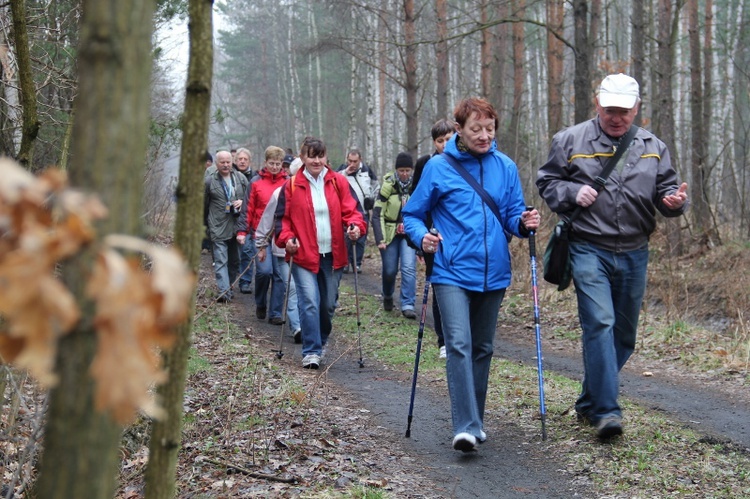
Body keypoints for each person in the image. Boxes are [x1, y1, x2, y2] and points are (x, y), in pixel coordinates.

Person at [536, 73, 689, 440]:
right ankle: (607, 411)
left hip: (636, 250)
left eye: (624, 111)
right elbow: (547, 182)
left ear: (637, 109)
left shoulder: (654, 146)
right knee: (599, 324)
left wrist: (673, 203)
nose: (616, 117)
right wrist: (573, 193)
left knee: (624, 336)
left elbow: (666, 189)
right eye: (610, 110)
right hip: (589, 247)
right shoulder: (570, 140)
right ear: (598, 105)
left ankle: (591, 399)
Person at [403, 97, 539, 453]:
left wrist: (524, 224)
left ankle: (475, 420)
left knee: (483, 348)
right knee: (459, 345)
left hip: (493, 272)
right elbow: (412, 215)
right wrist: (423, 238)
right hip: (450, 270)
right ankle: (464, 426)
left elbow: (511, 214)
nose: (484, 136)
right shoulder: (438, 167)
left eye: (490, 129)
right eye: (476, 129)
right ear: (459, 129)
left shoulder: (505, 167)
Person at [275, 138, 366, 369]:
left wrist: (355, 226)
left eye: (320, 155)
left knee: (327, 305)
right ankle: (312, 350)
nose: (316, 160)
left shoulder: (338, 182)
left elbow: (353, 211)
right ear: (302, 157)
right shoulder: (292, 185)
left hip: (333, 255)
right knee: (310, 302)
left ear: (326, 157)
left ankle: (321, 340)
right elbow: (282, 221)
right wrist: (287, 240)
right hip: (304, 255)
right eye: (311, 156)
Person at [413, 118, 455, 358]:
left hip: (457, 236)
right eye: (440, 141)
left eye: (448, 139)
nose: (444, 144)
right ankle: (443, 341)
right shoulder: (426, 164)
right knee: (439, 288)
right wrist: (420, 240)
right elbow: (418, 201)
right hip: (432, 237)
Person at [254, 156, 302, 342]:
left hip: (309, 251)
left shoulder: (316, 193)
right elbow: (267, 220)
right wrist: (261, 245)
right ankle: (297, 327)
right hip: (283, 250)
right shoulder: (280, 192)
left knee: (304, 289)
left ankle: (305, 324)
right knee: (291, 288)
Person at [240, 146, 289, 321]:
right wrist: (242, 231)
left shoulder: (288, 183)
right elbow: (248, 208)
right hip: (259, 233)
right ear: (265, 163)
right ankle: (260, 302)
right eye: (272, 163)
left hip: (281, 234)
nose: (275, 167)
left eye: (278, 164)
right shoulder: (255, 182)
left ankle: (275, 313)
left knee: (280, 275)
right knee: (264, 271)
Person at [372, 152, 418, 319]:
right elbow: (377, 214)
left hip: (409, 234)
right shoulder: (387, 187)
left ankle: (408, 303)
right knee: (390, 269)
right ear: (396, 170)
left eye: (407, 170)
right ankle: (388, 294)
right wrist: (380, 239)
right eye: (401, 170)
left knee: (408, 268)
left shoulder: (416, 186)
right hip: (390, 232)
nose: (404, 174)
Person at [204, 150, 249, 302]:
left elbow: (250, 200)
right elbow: (204, 205)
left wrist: (242, 202)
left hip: (236, 226)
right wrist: (205, 224)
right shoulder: (210, 181)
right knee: (221, 260)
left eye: (228, 162)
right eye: (222, 162)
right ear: (216, 164)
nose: (225, 165)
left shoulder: (241, 178)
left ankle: (228, 287)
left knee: (234, 261)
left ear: (232, 162)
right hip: (217, 226)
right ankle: (223, 292)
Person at [336, 149, 379, 273]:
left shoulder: (367, 170)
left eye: (355, 161)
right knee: (346, 238)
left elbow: (376, 185)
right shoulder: (341, 171)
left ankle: (357, 263)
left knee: (361, 239)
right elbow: (333, 182)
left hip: (363, 210)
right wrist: (345, 173)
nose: (352, 164)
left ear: (360, 160)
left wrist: (372, 199)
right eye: (350, 161)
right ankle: (346, 262)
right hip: (346, 210)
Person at [234, 147, 257, 294]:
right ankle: (232, 279)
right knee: (234, 253)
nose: (242, 161)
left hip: (248, 220)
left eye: (245, 159)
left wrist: (244, 202)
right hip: (230, 219)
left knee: (247, 251)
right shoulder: (229, 175)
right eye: (240, 159)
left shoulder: (254, 177)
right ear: (236, 161)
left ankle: (245, 281)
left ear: (249, 161)